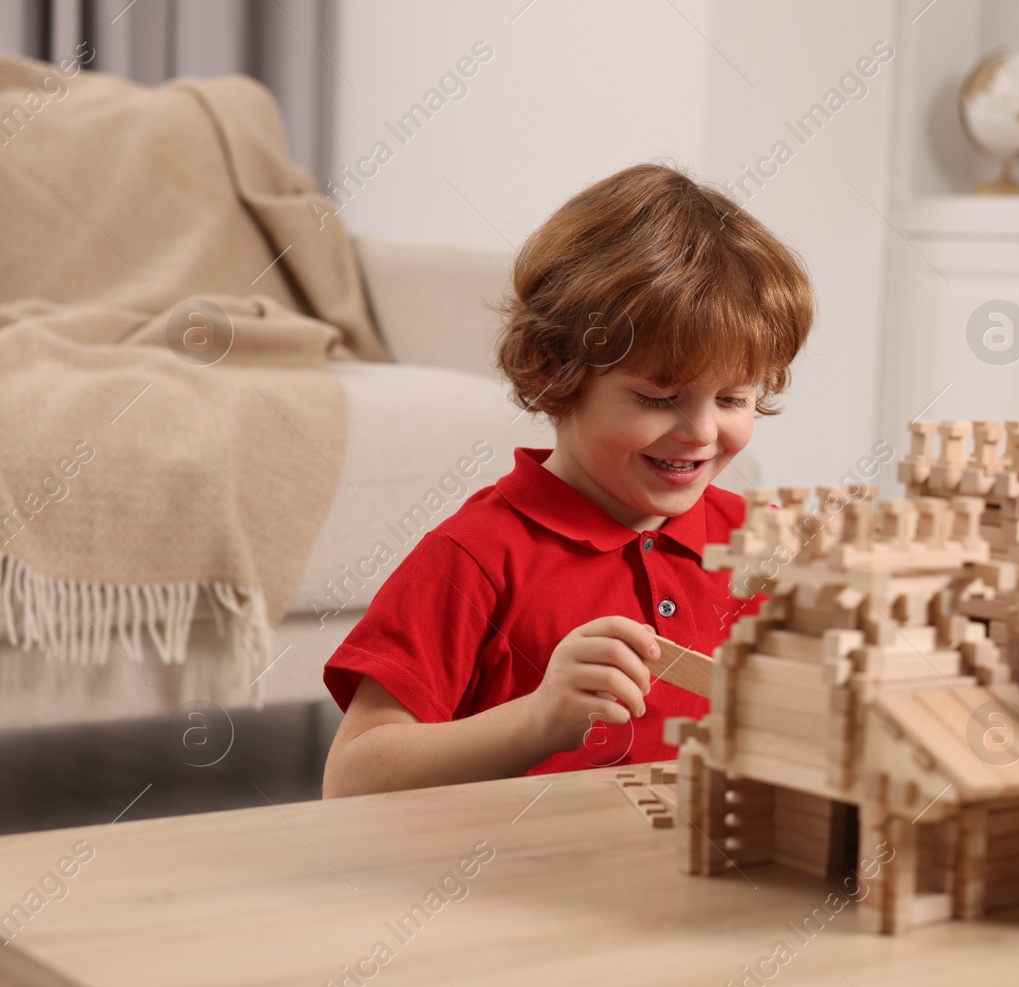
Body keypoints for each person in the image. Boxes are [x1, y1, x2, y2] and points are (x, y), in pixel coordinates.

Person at [320, 163, 813, 797]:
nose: (701, 433)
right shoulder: (472, 558)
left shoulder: (756, 539)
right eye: (659, 397)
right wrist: (538, 718)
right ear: (556, 371)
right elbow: (350, 781)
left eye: (733, 398)